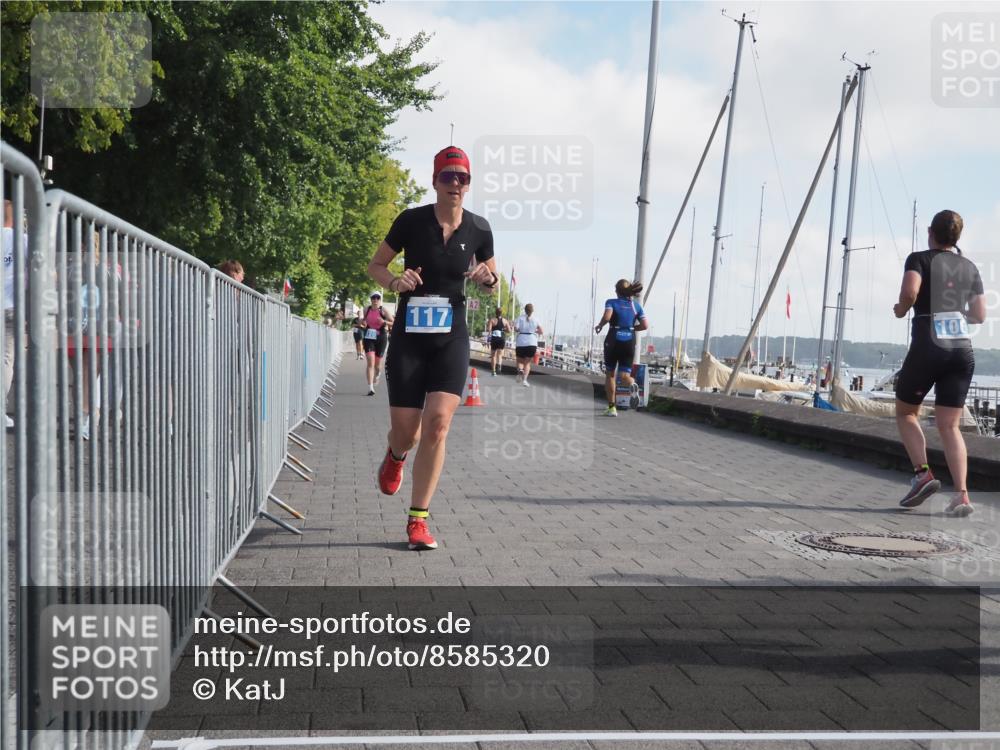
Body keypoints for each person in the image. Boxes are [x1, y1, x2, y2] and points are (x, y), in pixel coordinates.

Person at [367, 145, 497, 550]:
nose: (455, 183)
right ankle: (395, 454)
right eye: (448, 176)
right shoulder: (411, 220)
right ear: (435, 181)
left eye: (463, 178)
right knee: (407, 433)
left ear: (469, 184)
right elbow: (375, 265)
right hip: (409, 337)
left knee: (438, 423)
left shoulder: (479, 228)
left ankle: (418, 520)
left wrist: (487, 279)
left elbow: (491, 281)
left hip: (450, 337)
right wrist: (395, 282)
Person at [893, 210, 986, 516]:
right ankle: (962, 495)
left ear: (930, 232)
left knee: (906, 412)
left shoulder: (919, 259)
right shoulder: (969, 267)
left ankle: (922, 474)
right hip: (961, 350)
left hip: (929, 345)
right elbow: (979, 315)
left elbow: (910, 291)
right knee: (950, 425)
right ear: (956, 237)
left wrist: (901, 309)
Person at [594, 279, 648, 417]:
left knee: (610, 374)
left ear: (617, 291)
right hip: (629, 341)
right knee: (625, 376)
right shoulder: (636, 306)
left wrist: (600, 325)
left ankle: (612, 408)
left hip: (614, 339)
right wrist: (631, 329)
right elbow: (645, 325)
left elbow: (607, 317)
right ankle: (632, 384)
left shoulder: (611, 302)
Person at [361, 291, 393, 395]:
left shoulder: (383, 310)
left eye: (377, 298)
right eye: (373, 298)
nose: (375, 300)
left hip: (381, 337)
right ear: (370, 299)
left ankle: (378, 373)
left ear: (380, 299)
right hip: (369, 337)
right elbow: (363, 321)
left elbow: (393, 322)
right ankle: (370, 388)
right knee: (370, 362)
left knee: (377, 365)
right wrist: (363, 322)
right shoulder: (366, 309)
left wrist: (384, 322)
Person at [513, 303, 542, 386]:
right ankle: (525, 380)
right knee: (527, 363)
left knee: (519, 361)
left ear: (524, 310)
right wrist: (534, 331)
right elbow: (541, 331)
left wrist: (521, 329)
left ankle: (520, 370)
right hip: (532, 342)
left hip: (521, 341)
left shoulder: (520, 318)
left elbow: (515, 329)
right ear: (532, 310)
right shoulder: (536, 319)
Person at [487, 306, 511, 376]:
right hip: (501, 338)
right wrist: (503, 329)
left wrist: (488, 339)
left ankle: (493, 371)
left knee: (493, 355)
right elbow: (509, 330)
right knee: (500, 355)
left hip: (494, 338)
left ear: (495, 312)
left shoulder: (492, 320)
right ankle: (499, 365)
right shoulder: (505, 321)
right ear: (501, 313)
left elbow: (489, 330)